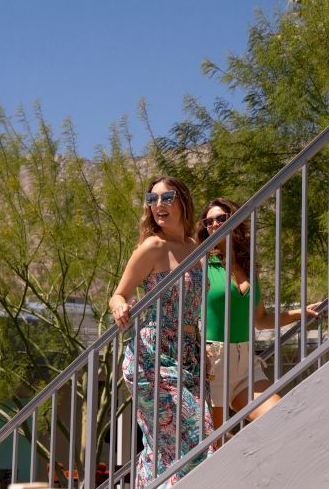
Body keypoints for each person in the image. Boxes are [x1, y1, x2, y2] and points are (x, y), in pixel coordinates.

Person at [110, 176, 215, 488]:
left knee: (175, 448)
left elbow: (196, 308)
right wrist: (119, 307)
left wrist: (202, 345)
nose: (158, 205)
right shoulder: (152, 247)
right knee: (198, 433)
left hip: (189, 354)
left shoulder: (198, 248)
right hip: (152, 355)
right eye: (152, 198)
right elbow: (119, 294)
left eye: (166, 197)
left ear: (182, 200)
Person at [196, 198, 320, 430]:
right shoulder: (201, 264)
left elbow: (260, 320)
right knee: (215, 443)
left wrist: (299, 313)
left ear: (234, 221)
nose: (213, 224)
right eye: (208, 221)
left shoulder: (247, 267)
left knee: (279, 419)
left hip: (245, 362)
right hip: (214, 360)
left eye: (220, 218)